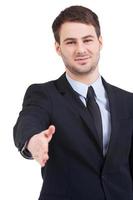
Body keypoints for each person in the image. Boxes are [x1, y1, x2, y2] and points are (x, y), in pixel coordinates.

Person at [13, 5, 133, 200]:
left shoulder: (128, 102)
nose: (81, 49)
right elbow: (30, 119)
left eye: (87, 40)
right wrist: (33, 141)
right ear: (58, 48)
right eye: (70, 42)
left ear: (100, 42)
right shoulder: (44, 94)